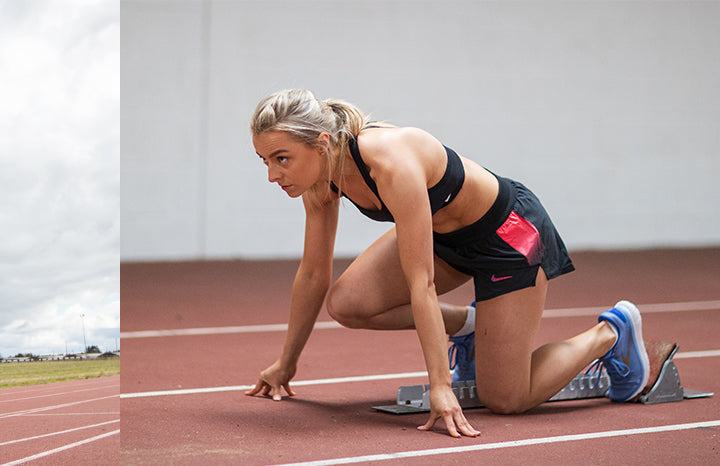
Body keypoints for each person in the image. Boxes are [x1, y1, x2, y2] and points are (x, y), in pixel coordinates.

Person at [243, 89, 671, 437]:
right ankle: (470, 329)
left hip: (507, 236)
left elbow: (421, 284)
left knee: (506, 399)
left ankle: (611, 333)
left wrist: (441, 388)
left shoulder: (389, 160)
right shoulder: (320, 178)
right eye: (265, 160)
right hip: (446, 239)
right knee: (348, 303)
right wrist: (287, 362)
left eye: (282, 158)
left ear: (320, 143)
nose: (272, 175)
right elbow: (315, 273)